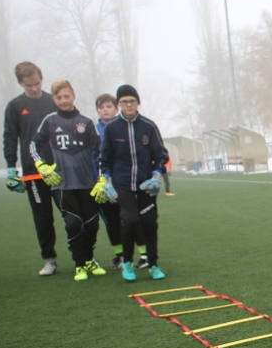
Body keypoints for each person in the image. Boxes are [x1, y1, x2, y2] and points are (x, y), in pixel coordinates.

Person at [30, 81, 105, 281]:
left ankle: (89, 260)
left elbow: (100, 152)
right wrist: (41, 166)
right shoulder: (50, 121)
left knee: (91, 224)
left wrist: (101, 178)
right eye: (59, 97)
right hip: (62, 184)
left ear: (73, 96)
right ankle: (79, 264)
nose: (63, 101)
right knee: (73, 223)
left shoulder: (86, 122)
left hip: (87, 183)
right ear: (54, 99)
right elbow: (33, 146)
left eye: (66, 96)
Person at [97, 84, 169, 282]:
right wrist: (107, 181)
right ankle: (127, 263)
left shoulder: (148, 126)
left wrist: (156, 176)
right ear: (119, 104)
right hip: (122, 185)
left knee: (149, 223)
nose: (128, 105)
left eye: (132, 101)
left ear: (138, 103)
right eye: (124, 101)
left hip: (145, 184)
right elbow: (105, 159)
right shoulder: (112, 128)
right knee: (130, 220)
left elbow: (161, 155)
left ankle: (153, 265)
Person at [3, 61, 59, 275]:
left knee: (71, 214)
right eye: (29, 85)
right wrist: (11, 168)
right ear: (20, 84)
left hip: (59, 170)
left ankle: (82, 257)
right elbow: (9, 137)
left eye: (37, 83)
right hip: (32, 172)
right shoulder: (15, 107)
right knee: (43, 217)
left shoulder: (53, 102)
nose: (34, 88)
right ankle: (50, 259)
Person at [94, 93, 126, 268]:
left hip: (122, 181)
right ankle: (119, 255)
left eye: (108, 106)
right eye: (101, 107)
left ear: (116, 108)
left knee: (128, 219)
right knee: (110, 220)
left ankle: (136, 255)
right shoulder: (92, 130)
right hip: (101, 183)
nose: (105, 110)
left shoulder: (123, 127)